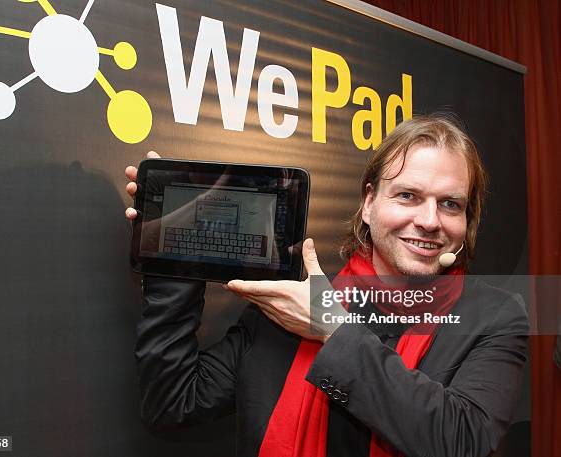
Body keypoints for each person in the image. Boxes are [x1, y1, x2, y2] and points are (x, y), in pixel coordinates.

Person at [125, 114, 528, 457]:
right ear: (369, 204)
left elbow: (461, 441)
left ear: (467, 220)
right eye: (407, 195)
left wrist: (333, 327)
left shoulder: (494, 316)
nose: (429, 220)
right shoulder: (291, 304)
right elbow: (173, 404)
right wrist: (173, 253)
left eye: (450, 204)